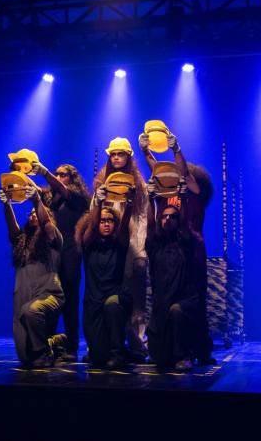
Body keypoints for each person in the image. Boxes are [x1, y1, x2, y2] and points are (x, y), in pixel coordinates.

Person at [139, 130, 216, 365]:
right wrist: (145, 150)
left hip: (192, 254)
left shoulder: (194, 194)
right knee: (165, 302)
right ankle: (166, 348)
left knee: (194, 302)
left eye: (180, 174)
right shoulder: (167, 195)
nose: (176, 176)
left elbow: (183, 173)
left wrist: (176, 149)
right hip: (169, 255)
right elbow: (158, 170)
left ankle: (199, 350)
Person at [92, 138, 150, 362]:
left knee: (136, 300)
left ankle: (137, 346)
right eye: (113, 154)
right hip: (109, 250)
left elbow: (143, 218)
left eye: (120, 154)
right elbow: (94, 216)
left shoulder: (138, 185)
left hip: (132, 248)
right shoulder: (102, 182)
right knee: (108, 297)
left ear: (128, 157)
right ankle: (109, 345)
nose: (116, 157)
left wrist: (140, 252)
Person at [0, 184, 65, 367]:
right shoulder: (22, 242)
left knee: (31, 311)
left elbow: (46, 224)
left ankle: (45, 351)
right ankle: (54, 341)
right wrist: (7, 204)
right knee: (25, 357)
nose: (33, 215)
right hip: (23, 296)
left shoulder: (53, 240)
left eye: (37, 213)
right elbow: (12, 227)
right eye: (31, 214)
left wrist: (37, 200)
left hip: (49, 294)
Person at [31, 161, 90, 361]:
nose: (58, 177)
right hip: (51, 255)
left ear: (72, 178)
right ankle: (49, 345)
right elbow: (35, 190)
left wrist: (45, 172)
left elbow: (62, 189)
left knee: (69, 301)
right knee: (48, 300)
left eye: (62, 174)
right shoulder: (51, 198)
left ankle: (71, 348)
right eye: (56, 174)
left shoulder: (77, 197)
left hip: (70, 255)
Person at [146, 177, 206, 372]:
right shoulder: (155, 246)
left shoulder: (185, 244)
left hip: (184, 299)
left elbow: (187, 223)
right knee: (161, 359)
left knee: (176, 311)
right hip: (162, 302)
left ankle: (183, 355)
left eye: (172, 217)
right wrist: (151, 200)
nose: (167, 219)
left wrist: (182, 197)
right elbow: (150, 224)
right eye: (164, 217)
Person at [75, 184, 135, 369]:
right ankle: (118, 351)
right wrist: (99, 203)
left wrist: (129, 204)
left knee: (112, 305)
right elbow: (92, 228)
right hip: (93, 302)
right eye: (103, 221)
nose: (106, 224)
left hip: (116, 298)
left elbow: (124, 228)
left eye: (110, 221)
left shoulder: (119, 243)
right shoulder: (89, 245)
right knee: (98, 357)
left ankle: (118, 353)